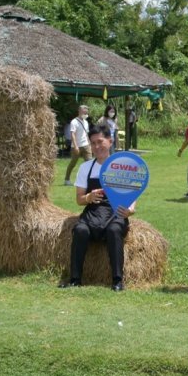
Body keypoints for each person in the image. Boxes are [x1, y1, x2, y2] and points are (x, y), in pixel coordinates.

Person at [61, 124, 136, 290]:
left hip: (115, 213)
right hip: (92, 212)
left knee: (114, 231)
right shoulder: (85, 168)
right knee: (80, 230)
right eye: (93, 143)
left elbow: (131, 195)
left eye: (100, 142)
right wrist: (89, 197)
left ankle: (117, 281)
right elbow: (79, 200)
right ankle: (75, 279)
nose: (96, 146)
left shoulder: (122, 166)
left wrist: (130, 209)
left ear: (110, 141)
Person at [62, 105, 91, 185]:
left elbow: (86, 134)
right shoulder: (74, 122)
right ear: (79, 111)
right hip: (76, 146)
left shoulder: (86, 122)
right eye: (84, 112)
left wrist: (89, 144)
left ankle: (89, 181)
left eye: (86, 112)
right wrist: (75, 146)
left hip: (86, 145)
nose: (85, 113)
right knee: (73, 163)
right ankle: (67, 179)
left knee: (90, 163)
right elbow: (73, 134)